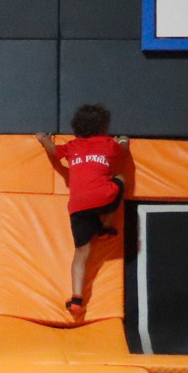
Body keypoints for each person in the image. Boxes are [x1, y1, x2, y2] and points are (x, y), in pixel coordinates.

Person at [37, 106, 129, 319]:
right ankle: (105, 225)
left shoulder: (73, 146)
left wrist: (43, 139)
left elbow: (54, 151)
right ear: (104, 127)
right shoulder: (108, 144)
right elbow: (122, 152)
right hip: (103, 199)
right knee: (121, 180)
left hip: (78, 206)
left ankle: (76, 299)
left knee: (81, 254)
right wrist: (124, 140)